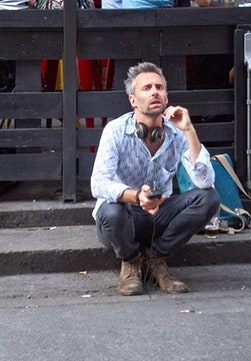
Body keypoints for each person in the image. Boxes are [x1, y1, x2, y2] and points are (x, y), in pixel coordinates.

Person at [89, 61, 219, 295]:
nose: (155, 92)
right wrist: (136, 197)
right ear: (132, 100)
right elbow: (98, 183)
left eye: (159, 87)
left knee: (208, 198)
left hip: (160, 215)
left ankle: (155, 258)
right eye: (147, 88)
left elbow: (204, 181)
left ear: (167, 97)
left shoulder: (176, 131)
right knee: (109, 210)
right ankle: (130, 261)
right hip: (124, 217)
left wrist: (189, 131)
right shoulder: (115, 131)